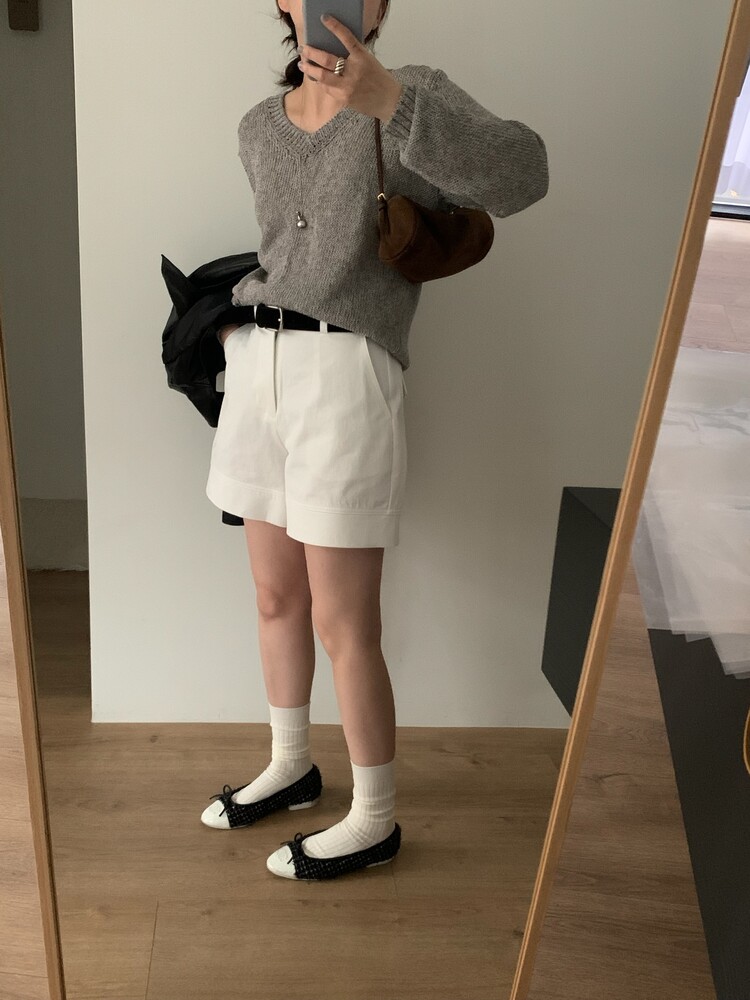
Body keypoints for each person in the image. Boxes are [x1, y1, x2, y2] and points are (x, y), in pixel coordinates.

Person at [200, 0, 549, 881]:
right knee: (274, 597)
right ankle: (291, 764)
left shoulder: (411, 95)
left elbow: (525, 174)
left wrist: (390, 101)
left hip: (346, 373)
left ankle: (375, 817)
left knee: (344, 618)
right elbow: (285, 251)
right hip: (259, 368)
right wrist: (236, 330)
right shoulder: (257, 126)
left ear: (380, 5)